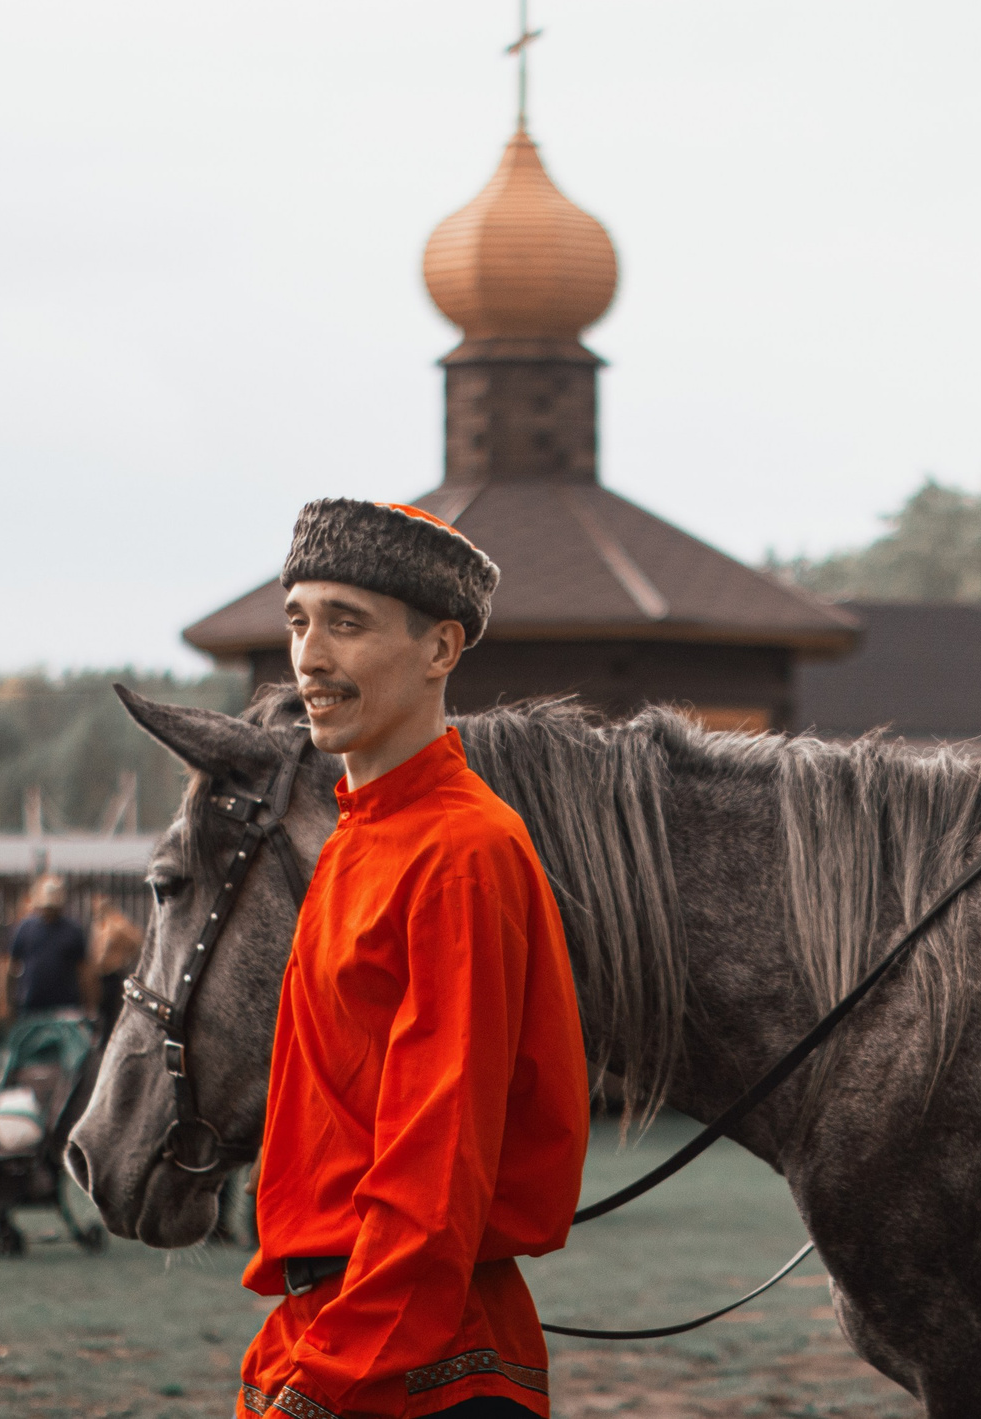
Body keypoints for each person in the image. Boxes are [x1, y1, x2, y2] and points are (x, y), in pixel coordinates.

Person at [240, 498, 589, 1419]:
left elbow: (437, 1168)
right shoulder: (359, 836)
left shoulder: (461, 850)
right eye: (299, 621)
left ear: (440, 649)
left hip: (412, 1359)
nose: (310, 657)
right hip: (344, 1327)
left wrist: (326, 1381)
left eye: (346, 624)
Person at [5, 876, 88, 1015]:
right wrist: (6, 1001)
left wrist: (89, 1002)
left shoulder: (72, 930)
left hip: (65, 1004)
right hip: (31, 1005)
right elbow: (11, 965)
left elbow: (83, 970)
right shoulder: (25, 928)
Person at [87, 898, 142, 1042]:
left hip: (112, 972)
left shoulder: (117, 923)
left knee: (110, 1009)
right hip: (99, 974)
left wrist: (125, 958)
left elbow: (136, 938)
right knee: (100, 1009)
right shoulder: (100, 924)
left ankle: (109, 1039)